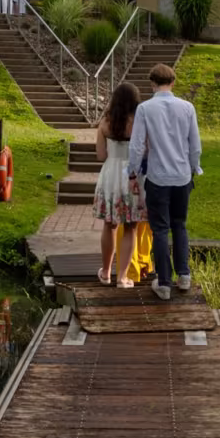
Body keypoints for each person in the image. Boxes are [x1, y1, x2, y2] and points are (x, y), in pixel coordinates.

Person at [126, 63, 201, 300]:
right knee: (180, 225)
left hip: (158, 177)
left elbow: (137, 145)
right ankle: (184, 275)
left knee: (160, 229)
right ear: (173, 82)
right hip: (181, 176)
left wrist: (132, 172)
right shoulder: (187, 108)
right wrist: (192, 169)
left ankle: (164, 283)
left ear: (152, 83)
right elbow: (195, 146)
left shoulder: (145, 109)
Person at [92, 82, 146, 288]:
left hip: (111, 175)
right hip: (132, 176)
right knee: (131, 226)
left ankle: (105, 273)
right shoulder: (139, 123)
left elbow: (101, 155)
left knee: (109, 224)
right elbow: (146, 151)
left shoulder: (105, 123)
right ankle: (122, 277)